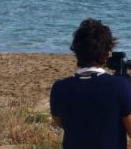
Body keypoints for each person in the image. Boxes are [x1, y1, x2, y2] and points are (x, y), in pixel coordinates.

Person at [50, 19, 131, 149]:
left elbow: (62, 123)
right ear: (107, 54)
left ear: (76, 51)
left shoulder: (59, 88)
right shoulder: (120, 87)